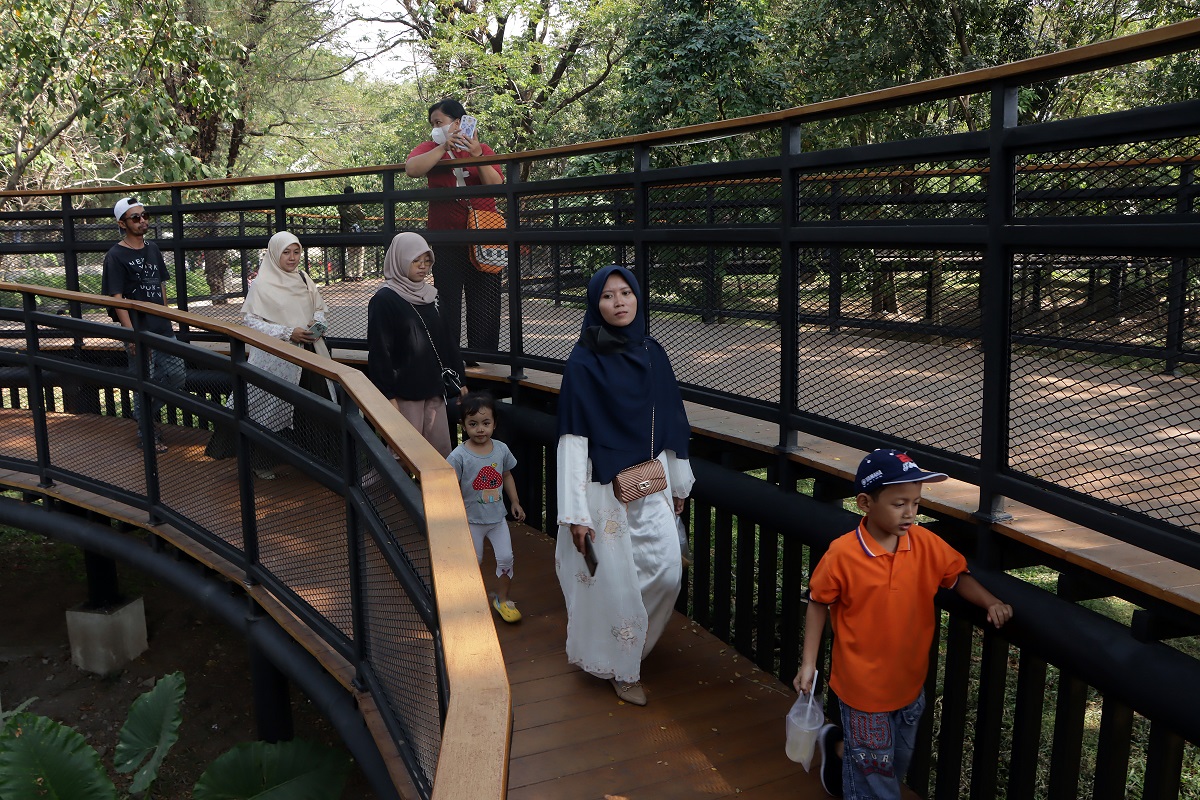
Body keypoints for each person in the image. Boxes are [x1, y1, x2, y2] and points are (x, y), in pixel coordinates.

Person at [794, 449, 1014, 799]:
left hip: (910, 686)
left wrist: (990, 601)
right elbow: (819, 603)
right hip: (861, 689)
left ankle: (839, 749)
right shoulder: (842, 554)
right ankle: (851, 760)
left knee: (894, 761)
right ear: (865, 502)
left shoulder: (926, 543)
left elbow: (956, 577)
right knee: (877, 779)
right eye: (899, 503)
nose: (910, 512)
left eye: (915, 502)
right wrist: (808, 664)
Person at [554, 265, 694, 707]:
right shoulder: (582, 362)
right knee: (612, 582)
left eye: (626, 293)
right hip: (600, 491)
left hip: (649, 482)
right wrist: (574, 513)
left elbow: (671, 420)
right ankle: (622, 667)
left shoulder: (653, 352)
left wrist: (679, 482)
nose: (619, 302)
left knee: (668, 570)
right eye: (608, 295)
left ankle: (629, 644)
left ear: (637, 298)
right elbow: (574, 439)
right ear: (595, 303)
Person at [205, 231, 336, 478]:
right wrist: (287, 333)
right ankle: (261, 461)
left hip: (309, 353)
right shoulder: (262, 285)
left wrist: (316, 326)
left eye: (296, 252)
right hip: (277, 357)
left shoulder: (304, 278)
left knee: (318, 407)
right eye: (286, 252)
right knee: (269, 409)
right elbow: (251, 321)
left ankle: (319, 461)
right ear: (275, 253)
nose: (292, 257)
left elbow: (318, 308)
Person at [404, 98, 504, 356]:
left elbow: (497, 184)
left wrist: (477, 155)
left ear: (459, 123)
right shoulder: (429, 147)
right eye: (433, 124)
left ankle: (484, 360)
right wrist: (442, 148)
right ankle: (448, 356)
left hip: (484, 237)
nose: (435, 128)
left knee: (485, 302)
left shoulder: (482, 148)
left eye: (440, 122)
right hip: (446, 237)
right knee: (447, 300)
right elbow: (412, 169)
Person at [367, 232, 467, 457]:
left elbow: (447, 340)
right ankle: (370, 493)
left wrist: (460, 380)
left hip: (433, 388)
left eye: (427, 261)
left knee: (439, 453)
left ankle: (433, 494)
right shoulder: (384, 300)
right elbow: (380, 351)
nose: (423, 267)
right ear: (400, 260)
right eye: (416, 261)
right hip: (404, 393)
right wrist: (387, 396)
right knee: (401, 455)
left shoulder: (432, 296)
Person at [101, 197, 186, 453]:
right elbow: (117, 298)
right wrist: (130, 336)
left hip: (162, 326)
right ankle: (146, 432)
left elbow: (160, 285)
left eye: (144, 215)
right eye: (135, 218)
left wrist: (167, 315)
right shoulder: (115, 256)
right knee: (143, 380)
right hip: (138, 329)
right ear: (122, 223)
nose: (142, 221)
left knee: (177, 375)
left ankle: (144, 415)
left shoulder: (153, 248)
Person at [447, 391, 526, 622]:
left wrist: (515, 502)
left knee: (506, 558)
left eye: (485, 423)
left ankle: (502, 600)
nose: (480, 429)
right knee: (474, 561)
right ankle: (469, 600)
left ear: (494, 424)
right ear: (464, 425)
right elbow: (449, 484)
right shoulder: (459, 455)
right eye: (473, 424)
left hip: (497, 518)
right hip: (471, 520)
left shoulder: (500, 449)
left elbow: (507, 475)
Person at [338, 185, 367, 280]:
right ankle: (359, 275)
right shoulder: (355, 205)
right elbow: (362, 217)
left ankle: (349, 275)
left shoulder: (341, 205)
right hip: (356, 231)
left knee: (350, 254)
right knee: (360, 253)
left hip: (346, 231)